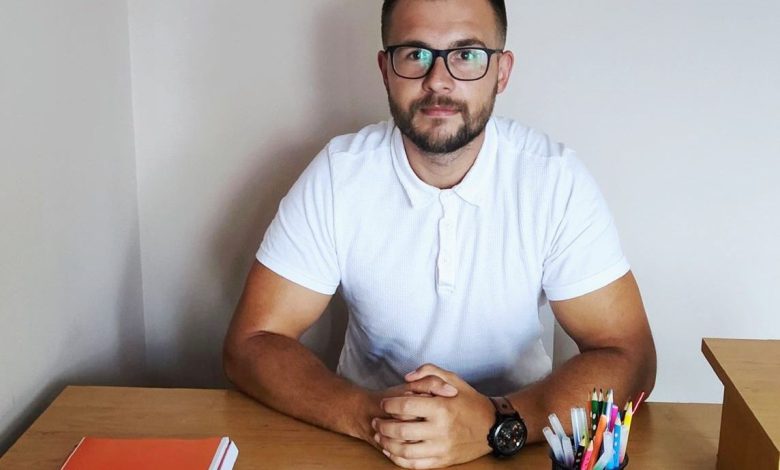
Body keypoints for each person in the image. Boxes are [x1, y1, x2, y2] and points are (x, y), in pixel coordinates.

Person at [223, 0, 656, 468]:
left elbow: (629, 354)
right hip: (370, 445)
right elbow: (252, 341)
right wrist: (370, 417)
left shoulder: (553, 180)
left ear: (502, 72)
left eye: (466, 55)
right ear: (385, 70)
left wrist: (496, 422)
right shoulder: (339, 174)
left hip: (518, 444)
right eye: (415, 54)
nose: (438, 80)